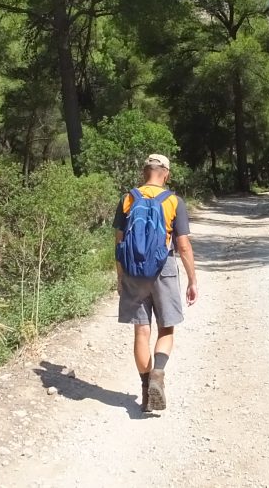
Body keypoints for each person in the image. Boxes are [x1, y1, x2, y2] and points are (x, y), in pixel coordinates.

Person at [113, 153, 198, 413]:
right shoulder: (173, 201)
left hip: (133, 272)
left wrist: (120, 276)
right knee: (166, 329)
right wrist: (192, 280)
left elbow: (118, 242)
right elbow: (182, 246)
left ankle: (145, 391)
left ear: (144, 172)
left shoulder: (128, 199)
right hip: (164, 270)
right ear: (166, 174)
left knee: (141, 331)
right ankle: (158, 373)